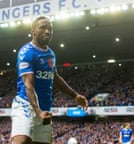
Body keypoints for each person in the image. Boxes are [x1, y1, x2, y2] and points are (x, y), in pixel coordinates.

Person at [10, 16, 88, 144]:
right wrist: (37, 111)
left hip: (44, 108)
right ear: (33, 31)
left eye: (50, 29)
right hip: (26, 105)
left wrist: (75, 95)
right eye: (42, 28)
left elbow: (54, 77)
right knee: (22, 141)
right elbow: (28, 85)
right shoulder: (26, 52)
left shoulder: (50, 54)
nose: (47, 31)